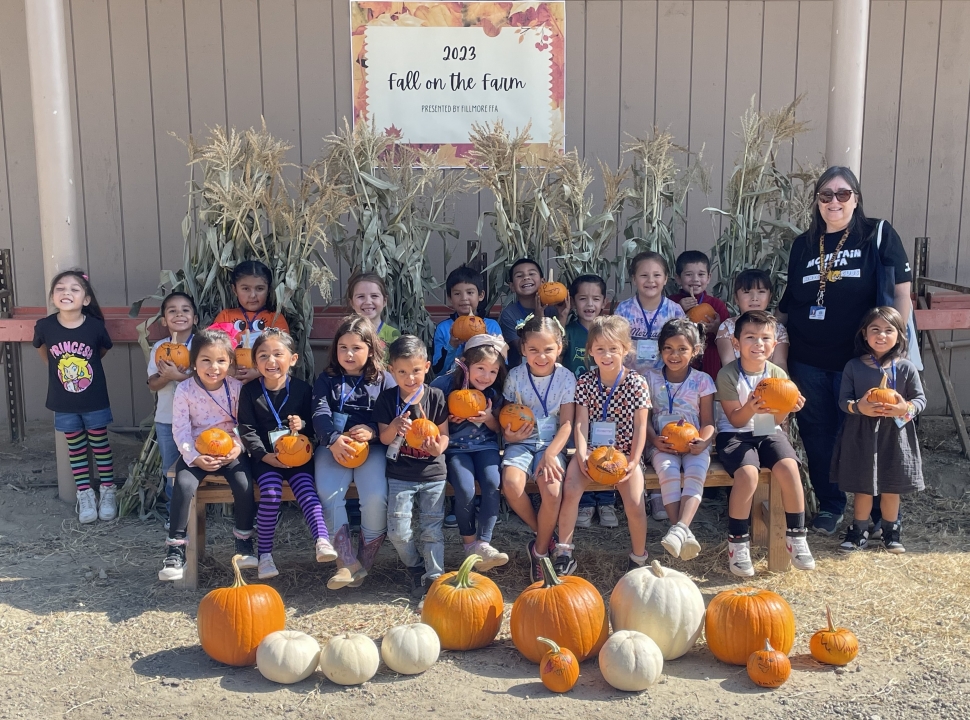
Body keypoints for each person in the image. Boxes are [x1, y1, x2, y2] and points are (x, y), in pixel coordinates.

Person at [778, 166, 913, 537]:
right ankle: (832, 505)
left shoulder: (877, 235)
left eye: (842, 194)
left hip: (861, 362)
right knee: (818, 434)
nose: (833, 201)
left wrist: (893, 345)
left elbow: (901, 292)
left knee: (864, 433)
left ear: (856, 198)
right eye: (825, 195)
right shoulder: (803, 244)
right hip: (808, 360)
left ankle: (868, 510)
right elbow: (789, 304)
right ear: (817, 201)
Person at [715, 311, 815, 577]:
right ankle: (737, 542)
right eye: (750, 337)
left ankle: (796, 535)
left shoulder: (778, 374)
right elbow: (735, 420)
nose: (758, 343)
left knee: (789, 467)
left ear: (773, 345)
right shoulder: (727, 375)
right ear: (736, 344)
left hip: (767, 430)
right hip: (735, 434)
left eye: (765, 338)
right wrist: (750, 406)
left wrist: (789, 408)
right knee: (748, 474)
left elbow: (777, 421)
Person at [237, 329, 336, 579]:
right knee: (270, 494)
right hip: (266, 459)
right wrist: (263, 455)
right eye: (263, 356)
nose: (271, 361)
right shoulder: (250, 392)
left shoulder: (303, 389)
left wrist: (302, 425)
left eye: (277, 354)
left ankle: (322, 540)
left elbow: (315, 425)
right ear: (254, 361)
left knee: (306, 490)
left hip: (298, 456)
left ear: (292, 359)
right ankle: (265, 556)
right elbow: (246, 429)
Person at [158, 329, 256, 581]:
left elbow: (243, 424)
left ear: (230, 363)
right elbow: (180, 429)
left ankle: (244, 541)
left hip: (229, 451)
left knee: (244, 483)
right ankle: (175, 548)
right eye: (206, 360)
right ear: (193, 363)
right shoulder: (185, 390)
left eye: (221, 361)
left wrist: (237, 447)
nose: (214, 367)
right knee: (183, 483)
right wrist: (194, 457)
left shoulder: (236, 389)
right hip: (197, 450)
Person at [558, 316, 651, 573]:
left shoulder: (636, 383)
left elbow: (641, 426)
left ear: (625, 349)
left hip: (623, 453)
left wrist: (633, 461)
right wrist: (580, 454)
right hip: (590, 452)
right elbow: (580, 423)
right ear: (590, 351)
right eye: (600, 349)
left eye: (613, 348)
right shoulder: (586, 382)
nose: (606, 355)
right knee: (571, 488)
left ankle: (639, 557)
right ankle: (564, 551)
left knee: (634, 502)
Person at [313, 315, 394, 589]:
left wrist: (372, 430)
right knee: (328, 492)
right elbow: (320, 413)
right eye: (343, 347)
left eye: (356, 348)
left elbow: (393, 415)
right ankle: (346, 563)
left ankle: (364, 561)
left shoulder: (385, 380)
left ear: (370, 349)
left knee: (375, 496)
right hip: (334, 447)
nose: (349, 354)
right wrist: (333, 439)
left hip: (371, 449)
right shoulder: (327, 379)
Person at [835, 307, 924, 554]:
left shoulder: (906, 367)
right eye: (875, 330)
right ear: (865, 334)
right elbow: (843, 401)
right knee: (862, 486)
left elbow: (920, 400)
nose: (881, 335)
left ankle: (890, 531)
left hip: (896, 436)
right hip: (861, 434)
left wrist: (904, 408)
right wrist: (859, 407)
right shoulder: (853, 366)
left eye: (888, 330)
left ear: (899, 335)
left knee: (891, 485)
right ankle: (859, 531)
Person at [33, 270, 116, 524]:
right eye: (60, 288)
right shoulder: (45, 326)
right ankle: (85, 493)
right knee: (76, 448)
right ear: (52, 296)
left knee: (100, 445)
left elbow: (100, 351)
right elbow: (44, 352)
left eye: (74, 289)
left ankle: (108, 491)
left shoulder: (94, 326)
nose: (66, 292)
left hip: (94, 398)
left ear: (86, 299)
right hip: (64, 400)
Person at [500, 316, 576, 582]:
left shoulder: (567, 378)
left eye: (548, 349)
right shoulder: (516, 376)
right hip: (521, 440)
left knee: (553, 491)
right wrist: (508, 434)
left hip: (551, 443)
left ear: (559, 348)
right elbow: (507, 414)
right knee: (511, 484)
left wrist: (552, 453)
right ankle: (543, 534)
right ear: (523, 349)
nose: (541, 356)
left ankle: (540, 551)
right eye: (533, 350)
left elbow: (567, 424)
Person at [375, 335, 450, 599]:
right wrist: (395, 427)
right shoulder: (386, 400)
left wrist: (437, 448)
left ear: (427, 367)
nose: (410, 378)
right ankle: (416, 566)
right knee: (398, 531)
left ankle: (434, 577)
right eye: (402, 372)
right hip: (400, 474)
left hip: (433, 474)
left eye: (416, 371)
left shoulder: (437, 397)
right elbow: (384, 439)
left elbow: (444, 435)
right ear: (391, 370)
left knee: (431, 528)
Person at [615, 251, 685, 522]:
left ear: (666, 278)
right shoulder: (624, 309)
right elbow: (617, 345)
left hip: (662, 380)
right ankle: (635, 492)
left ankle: (658, 496)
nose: (650, 280)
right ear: (634, 278)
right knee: (634, 434)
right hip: (631, 383)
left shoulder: (674, 310)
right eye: (644, 275)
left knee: (659, 432)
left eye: (656, 275)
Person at [431, 334, 509, 571]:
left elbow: (498, 429)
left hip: (485, 447)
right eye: (480, 368)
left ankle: (484, 543)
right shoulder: (443, 386)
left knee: (492, 482)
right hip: (455, 449)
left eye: (493, 371)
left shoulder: (494, 393)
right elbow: (430, 417)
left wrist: (488, 418)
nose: (486, 376)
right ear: (465, 364)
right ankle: (469, 544)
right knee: (464, 489)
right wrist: (447, 419)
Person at [645, 318, 716, 560]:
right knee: (668, 471)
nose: (674, 355)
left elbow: (708, 422)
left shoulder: (703, 380)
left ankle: (679, 529)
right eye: (668, 349)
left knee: (696, 472)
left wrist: (704, 442)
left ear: (695, 351)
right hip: (662, 443)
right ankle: (681, 529)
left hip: (694, 445)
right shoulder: (650, 379)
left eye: (682, 349)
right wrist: (654, 441)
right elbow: (643, 419)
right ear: (660, 350)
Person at [563, 274, 618, 528]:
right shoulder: (569, 332)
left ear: (604, 301)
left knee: (607, 449)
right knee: (581, 448)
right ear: (573, 302)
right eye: (583, 298)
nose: (589, 304)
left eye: (595, 298)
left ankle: (606, 500)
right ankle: (585, 502)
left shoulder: (608, 333)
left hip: (605, 400)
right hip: (576, 404)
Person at [147, 292, 197, 525]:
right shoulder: (159, 347)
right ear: (164, 320)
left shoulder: (202, 346)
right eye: (172, 311)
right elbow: (153, 385)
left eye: (186, 310)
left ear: (195, 318)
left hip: (198, 420)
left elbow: (208, 380)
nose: (180, 314)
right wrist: (166, 377)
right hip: (167, 420)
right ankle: (174, 513)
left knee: (196, 466)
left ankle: (196, 511)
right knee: (171, 469)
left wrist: (179, 375)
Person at [210, 260, 290, 384]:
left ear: (268, 289)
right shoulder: (225, 316)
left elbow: (284, 354)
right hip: (229, 381)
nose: (252, 295)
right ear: (234, 289)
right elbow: (212, 350)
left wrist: (259, 371)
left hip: (266, 383)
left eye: (259, 288)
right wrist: (229, 370)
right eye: (245, 289)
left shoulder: (275, 318)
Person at [669, 250, 730, 379]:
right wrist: (678, 309)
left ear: (708, 278)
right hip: (680, 366)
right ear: (678, 278)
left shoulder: (717, 305)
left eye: (701, 274)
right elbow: (664, 331)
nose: (695, 279)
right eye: (689, 274)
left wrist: (717, 328)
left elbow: (729, 339)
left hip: (710, 365)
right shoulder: (671, 303)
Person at [431, 265, 502, 375]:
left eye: (470, 293)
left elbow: (502, 364)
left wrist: (487, 345)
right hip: (451, 386)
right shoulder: (444, 328)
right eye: (457, 294)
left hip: (484, 382)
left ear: (481, 295)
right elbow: (438, 371)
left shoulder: (491, 326)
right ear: (450, 298)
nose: (464, 298)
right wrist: (452, 346)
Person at [716, 269, 789, 373]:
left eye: (761, 292)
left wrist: (781, 386)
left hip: (770, 384)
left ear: (770, 297)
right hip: (735, 383)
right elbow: (728, 364)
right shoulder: (727, 327)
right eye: (747, 292)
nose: (754, 298)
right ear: (736, 298)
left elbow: (780, 364)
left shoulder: (778, 329)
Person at [498, 258, 568, 368]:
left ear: (543, 282)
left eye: (531, 273)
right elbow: (522, 349)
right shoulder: (509, 314)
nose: (526, 277)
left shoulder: (552, 309)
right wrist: (538, 317)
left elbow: (559, 347)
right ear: (511, 286)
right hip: (521, 373)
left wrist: (562, 316)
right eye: (519, 275)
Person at [347, 271, 400, 351]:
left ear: (384, 301)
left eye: (374, 296)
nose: (368, 302)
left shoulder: (393, 335)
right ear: (352, 303)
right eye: (361, 296)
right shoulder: (346, 333)